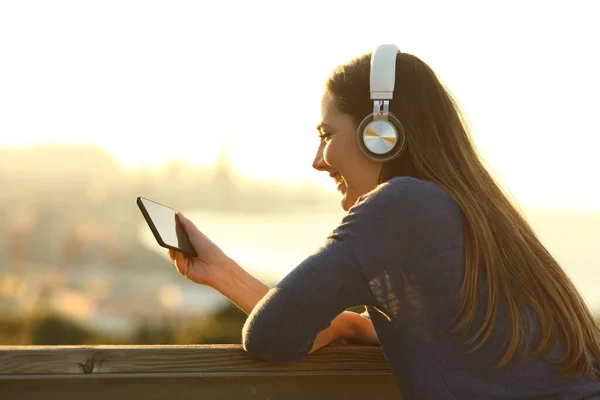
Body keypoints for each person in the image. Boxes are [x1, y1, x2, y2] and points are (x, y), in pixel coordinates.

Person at [169, 44, 600, 398]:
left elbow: (270, 337)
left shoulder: (399, 206)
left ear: (380, 134)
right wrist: (221, 271)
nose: (318, 161)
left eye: (326, 135)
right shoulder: (471, 208)